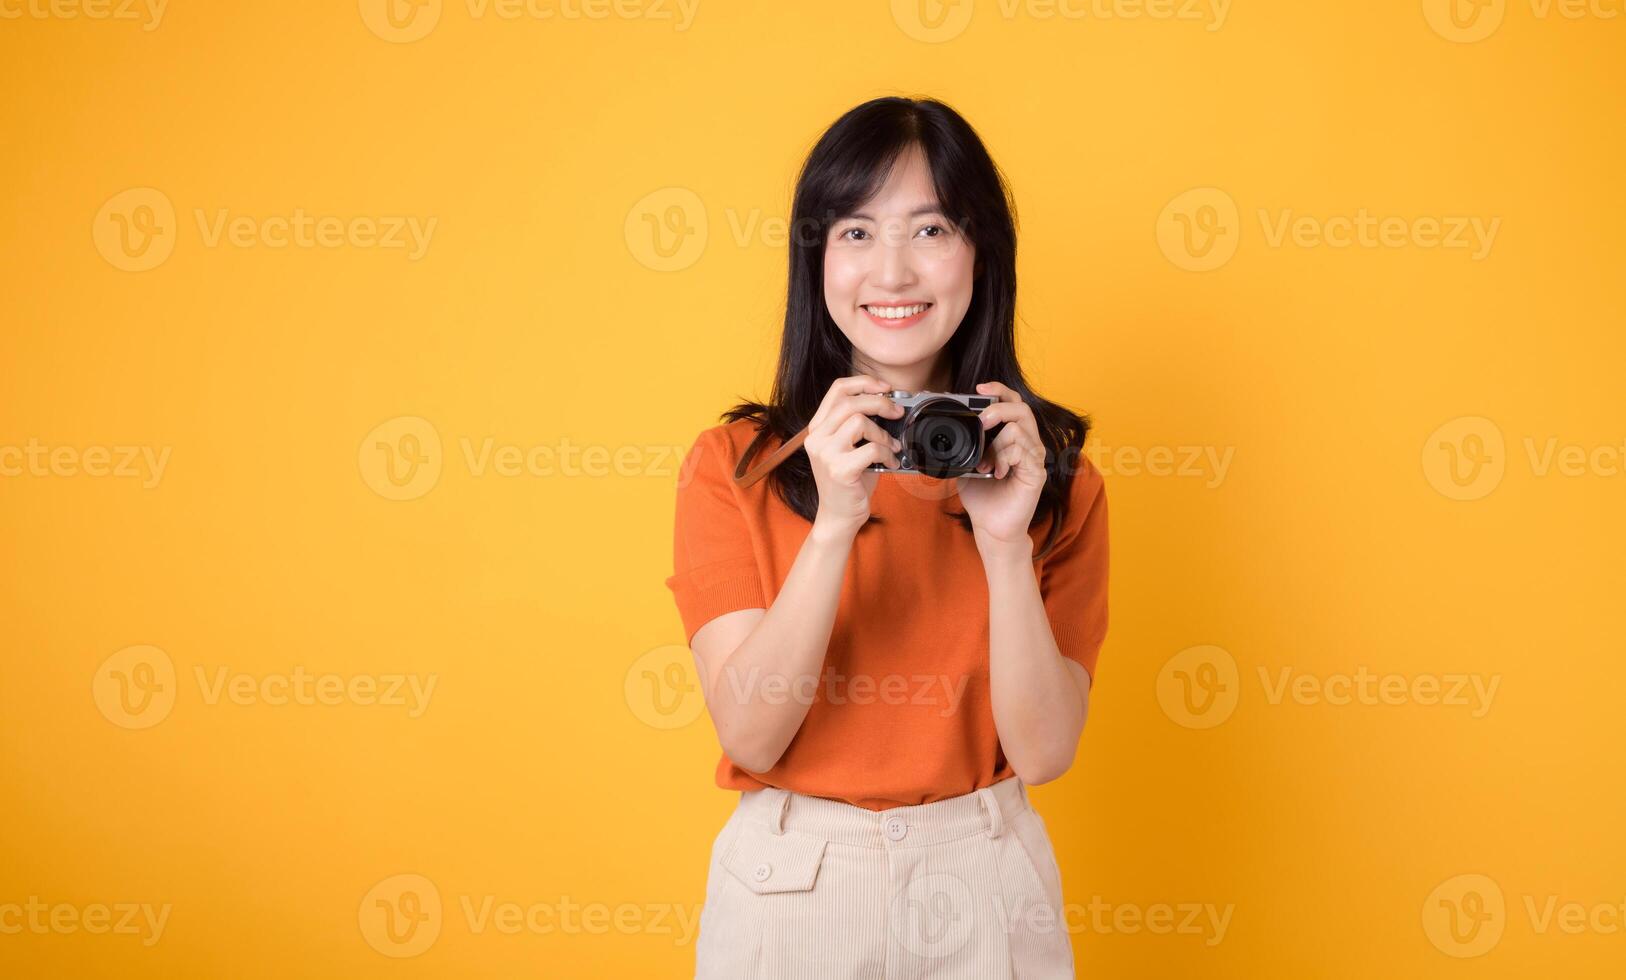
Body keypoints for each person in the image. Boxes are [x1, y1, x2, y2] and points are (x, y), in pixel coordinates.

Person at [664, 96, 1109, 979]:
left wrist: (1005, 544)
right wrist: (834, 521)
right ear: (816, 259)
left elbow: (1046, 753)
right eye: (856, 233)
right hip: (797, 886)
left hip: (987, 873)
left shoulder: (1051, 477)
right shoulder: (735, 466)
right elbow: (752, 736)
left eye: (931, 229)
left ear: (981, 252)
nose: (894, 272)